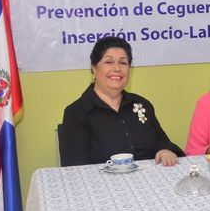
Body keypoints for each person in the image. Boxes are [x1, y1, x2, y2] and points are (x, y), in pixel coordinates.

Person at [60, 37, 184, 166]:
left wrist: (165, 150)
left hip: (148, 181)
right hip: (101, 185)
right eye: (109, 62)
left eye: (123, 63)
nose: (117, 68)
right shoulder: (76, 113)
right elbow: (74, 168)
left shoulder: (142, 105)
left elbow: (161, 140)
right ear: (94, 69)